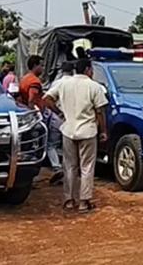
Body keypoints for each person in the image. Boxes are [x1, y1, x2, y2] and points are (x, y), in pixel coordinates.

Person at [43, 58, 108, 214]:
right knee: (87, 167)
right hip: (88, 131)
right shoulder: (94, 87)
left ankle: (69, 200)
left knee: (70, 166)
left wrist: (60, 113)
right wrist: (103, 131)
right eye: (91, 69)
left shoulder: (64, 83)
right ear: (87, 70)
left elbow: (47, 99)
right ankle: (84, 202)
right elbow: (100, 111)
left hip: (68, 129)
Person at [45, 61, 75, 186]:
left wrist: (58, 112)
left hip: (58, 117)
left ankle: (57, 167)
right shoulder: (76, 83)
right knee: (68, 146)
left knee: (51, 145)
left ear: (62, 71)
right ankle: (69, 171)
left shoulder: (58, 83)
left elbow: (47, 99)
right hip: (73, 117)